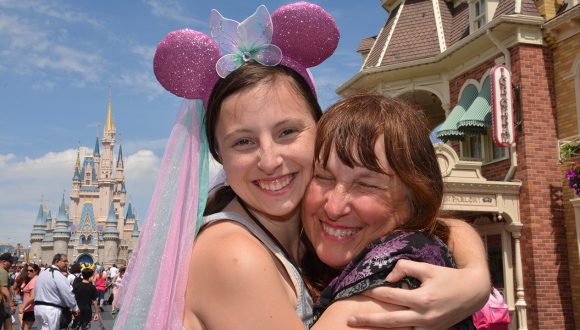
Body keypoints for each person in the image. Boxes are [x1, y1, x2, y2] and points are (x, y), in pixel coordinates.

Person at [116, 3, 489, 330]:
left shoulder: (306, 228)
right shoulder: (235, 254)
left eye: (287, 131)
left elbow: (443, 224)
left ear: (319, 128)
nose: (270, 160)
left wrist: (475, 277)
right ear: (219, 154)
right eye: (243, 142)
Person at [300, 94, 475, 328]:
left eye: (366, 184)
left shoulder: (396, 282)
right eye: (322, 177)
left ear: (416, 199)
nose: (334, 207)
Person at [34, 254, 79, 330]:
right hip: (51, 311)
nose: (67, 263)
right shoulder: (57, 275)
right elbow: (67, 293)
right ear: (57, 261)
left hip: (38, 309)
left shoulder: (42, 273)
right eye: (65, 261)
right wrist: (75, 308)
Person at [21, 264, 40, 330]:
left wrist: (23, 306)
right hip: (29, 309)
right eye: (27, 270)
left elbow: (32, 297)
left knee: (26, 328)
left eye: (31, 270)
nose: (28, 272)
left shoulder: (34, 280)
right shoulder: (32, 279)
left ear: (36, 271)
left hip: (30, 309)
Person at [0, 253, 15, 330]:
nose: (11, 264)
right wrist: (11, 304)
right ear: (4, 261)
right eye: (10, 262)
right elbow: (4, 289)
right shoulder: (2, 271)